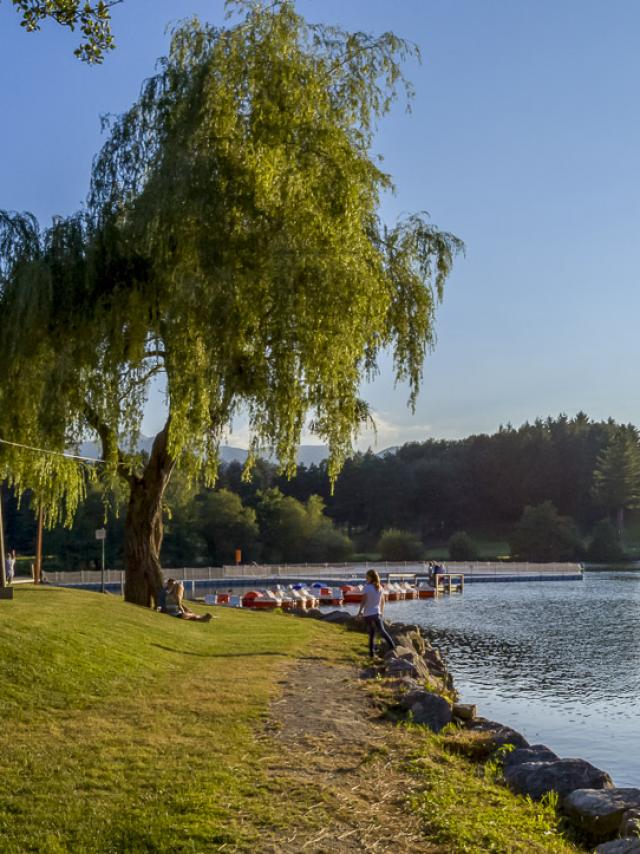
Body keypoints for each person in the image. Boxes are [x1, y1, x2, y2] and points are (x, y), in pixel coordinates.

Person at [357, 569, 396, 658]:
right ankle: (392, 646)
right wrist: (381, 612)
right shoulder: (380, 588)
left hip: (368, 614)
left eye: (367, 577)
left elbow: (364, 601)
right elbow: (383, 602)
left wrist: (359, 612)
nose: (366, 578)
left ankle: (371, 654)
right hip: (376, 613)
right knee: (382, 631)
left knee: (372, 633)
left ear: (371, 577)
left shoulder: (366, 587)